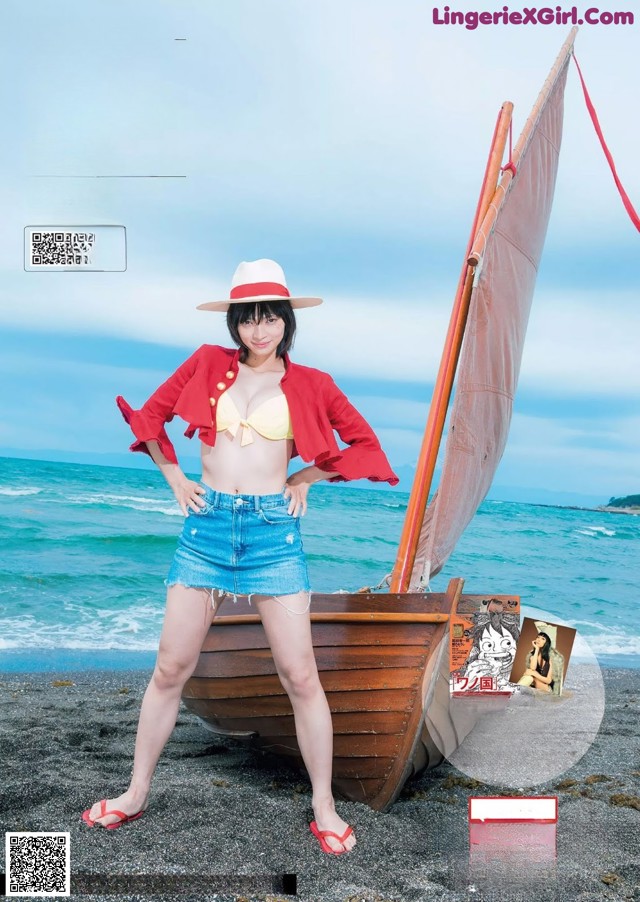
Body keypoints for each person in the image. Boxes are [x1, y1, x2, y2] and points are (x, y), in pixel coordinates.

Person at [82, 259, 398, 855]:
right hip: (204, 530)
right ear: (235, 322)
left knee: (300, 674)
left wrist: (304, 477)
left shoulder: (314, 383)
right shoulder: (205, 362)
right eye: (249, 319)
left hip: (273, 534)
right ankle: (134, 792)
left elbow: (364, 444)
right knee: (170, 669)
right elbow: (151, 419)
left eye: (271, 318)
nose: (260, 330)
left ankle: (323, 808)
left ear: (285, 322)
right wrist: (173, 476)